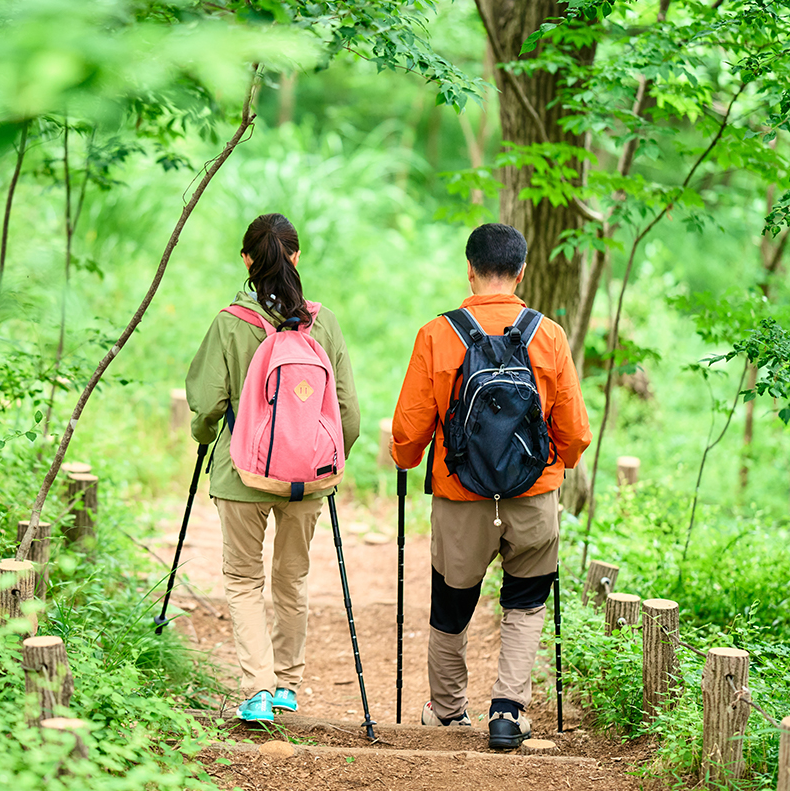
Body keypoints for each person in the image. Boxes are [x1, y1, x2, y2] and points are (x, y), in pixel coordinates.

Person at [390, 223, 592, 749]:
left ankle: (449, 712)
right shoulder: (548, 334)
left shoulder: (437, 334)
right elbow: (574, 433)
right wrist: (558, 465)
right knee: (526, 601)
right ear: (521, 272)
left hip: (461, 496)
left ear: (470, 269)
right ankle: (507, 713)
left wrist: (405, 459)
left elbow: (410, 430)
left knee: (450, 603)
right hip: (532, 493)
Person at [186, 213, 361, 722]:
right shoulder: (322, 323)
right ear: (296, 256)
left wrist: (204, 441)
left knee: (242, 580)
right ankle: (287, 684)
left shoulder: (229, 322)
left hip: (241, 475)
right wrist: (325, 461)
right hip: (307, 478)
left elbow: (206, 405)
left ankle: (257, 688)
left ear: (246, 259)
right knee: (292, 579)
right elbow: (347, 410)